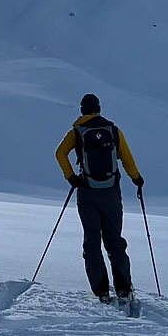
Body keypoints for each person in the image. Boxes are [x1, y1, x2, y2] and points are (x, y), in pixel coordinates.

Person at [55, 94, 143, 305]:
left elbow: (60, 154)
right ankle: (124, 289)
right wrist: (137, 178)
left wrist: (72, 178)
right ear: (99, 109)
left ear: (82, 110)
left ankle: (101, 291)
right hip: (111, 192)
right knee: (114, 240)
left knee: (92, 241)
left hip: (87, 192)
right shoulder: (113, 130)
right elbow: (127, 158)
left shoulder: (76, 132)